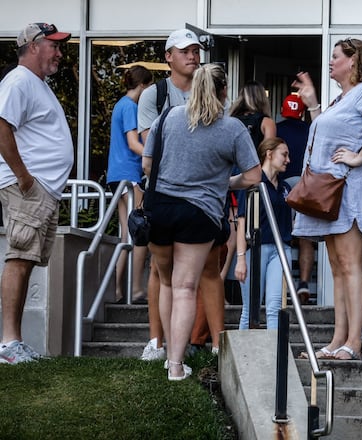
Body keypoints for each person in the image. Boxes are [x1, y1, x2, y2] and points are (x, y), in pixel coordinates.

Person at [142, 63, 260, 380]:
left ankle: (168, 353)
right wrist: (224, 183)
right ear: (223, 91)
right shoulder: (233, 128)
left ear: (193, 88)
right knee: (185, 287)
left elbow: (147, 164)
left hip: (159, 208)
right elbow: (253, 176)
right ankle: (176, 366)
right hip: (200, 213)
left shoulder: (167, 117)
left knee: (166, 282)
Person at [291, 37, 362, 361]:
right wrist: (312, 104)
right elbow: (328, 135)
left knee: (351, 266)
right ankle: (338, 339)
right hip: (331, 194)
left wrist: (360, 155)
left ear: (353, 60)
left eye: (336, 56)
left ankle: (354, 341)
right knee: (338, 268)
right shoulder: (342, 98)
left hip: (350, 193)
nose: (330, 61)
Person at [0, 22, 73, 364]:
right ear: (33, 46)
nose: (59, 53)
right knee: (19, 258)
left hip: (41, 189)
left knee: (27, 260)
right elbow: (1, 126)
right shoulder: (19, 81)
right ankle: (8, 343)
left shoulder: (35, 83)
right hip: (28, 187)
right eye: (53, 46)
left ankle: (15, 342)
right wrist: (24, 178)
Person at [137, 28, 210, 361]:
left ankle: (188, 343)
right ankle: (157, 342)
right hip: (163, 191)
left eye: (195, 51)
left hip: (200, 196)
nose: (192, 56)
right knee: (160, 270)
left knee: (196, 274)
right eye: (184, 51)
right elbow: (149, 146)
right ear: (168, 57)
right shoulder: (155, 94)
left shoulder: (207, 90)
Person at [107, 65, 153, 304]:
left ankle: (116, 290)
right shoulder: (130, 107)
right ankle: (135, 289)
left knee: (126, 234)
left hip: (117, 175)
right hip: (129, 174)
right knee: (141, 228)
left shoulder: (120, 105)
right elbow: (134, 143)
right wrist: (156, 157)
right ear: (143, 86)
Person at [235, 137, 292, 330]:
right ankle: (244, 350)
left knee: (275, 307)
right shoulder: (253, 183)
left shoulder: (285, 188)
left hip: (281, 249)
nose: (288, 160)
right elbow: (241, 222)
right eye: (284, 154)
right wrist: (240, 259)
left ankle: (274, 350)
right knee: (250, 309)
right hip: (255, 250)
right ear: (269, 154)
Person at [276, 94, 313, 305]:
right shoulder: (310, 129)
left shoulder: (277, 130)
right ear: (302, 112)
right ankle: (304, 283)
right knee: (306, 236)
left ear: (283, 110)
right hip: (306, 185)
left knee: (283, 236)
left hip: (284, 186)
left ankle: (283, 284)